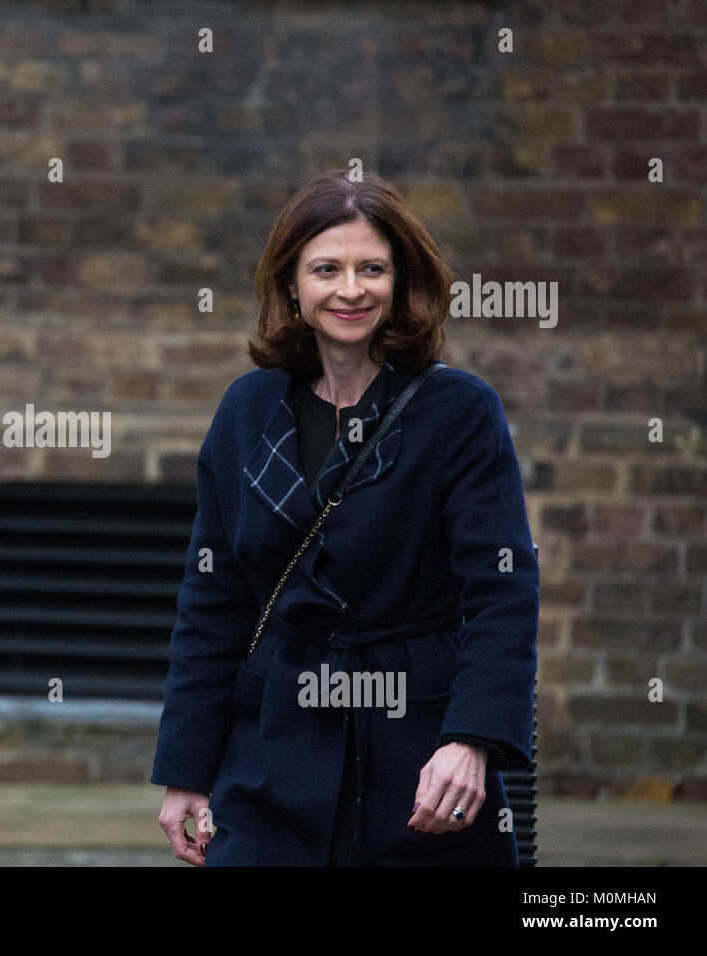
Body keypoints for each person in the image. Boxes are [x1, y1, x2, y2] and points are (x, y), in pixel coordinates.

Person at [153, 169, 539, 866]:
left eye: (373, 269)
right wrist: (185, 771)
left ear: (402, 284)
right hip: (273, 755)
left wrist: (472, 740)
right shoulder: (244, 412)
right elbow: (213, 603)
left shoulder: (459, 412)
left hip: (420, 758)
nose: (351, 289)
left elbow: (501, 590)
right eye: (326, 269)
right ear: (292, 287)